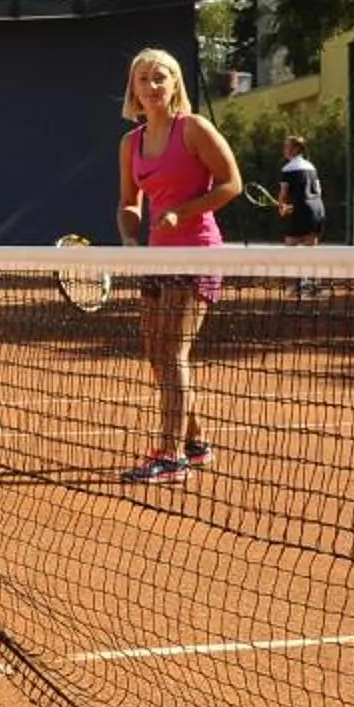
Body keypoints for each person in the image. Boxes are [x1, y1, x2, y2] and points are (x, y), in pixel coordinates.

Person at [116, 48, 239, 485]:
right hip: (156, 255)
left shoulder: (194, 129)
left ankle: (169, 456)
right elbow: (129, 203)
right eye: (144, 78)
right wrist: (130, 235)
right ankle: (197, 441)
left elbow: (231, 183)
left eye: (160, 77)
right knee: (156, 354)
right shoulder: (130, 144)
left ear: (175, 84)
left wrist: (182, 213)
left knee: (172, 352)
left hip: (198, 252)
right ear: (133, 87)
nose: (152, 86)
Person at [274, 135, 325, 291]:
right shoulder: (311, 166)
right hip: (318, 209)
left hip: (302, 210)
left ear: (296, 149)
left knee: (291, 246)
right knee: (311, 247)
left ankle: (300, 282)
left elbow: (284, 193)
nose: (284, 150)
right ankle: (315, 284)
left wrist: (282, 206)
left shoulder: (288, 169)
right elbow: (318, 191)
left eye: (287, 146)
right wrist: (293, 206)